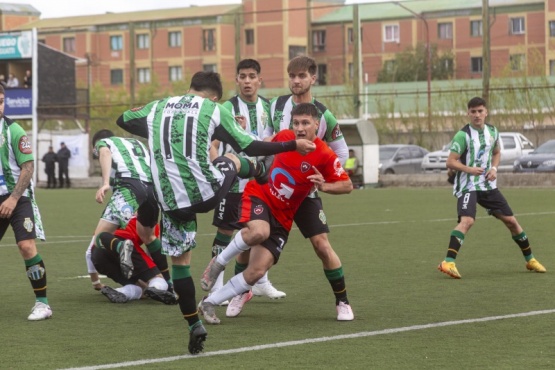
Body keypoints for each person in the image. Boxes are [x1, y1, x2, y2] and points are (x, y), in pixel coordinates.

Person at [116, 71, 316, 354]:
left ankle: (192, 324)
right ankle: (257, 170)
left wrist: (157, 129)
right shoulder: (214, 108)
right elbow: (249, 144)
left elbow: (123, 119)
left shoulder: (158, 107)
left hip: (172, 202)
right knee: (231, 158)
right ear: (214, 96)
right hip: (205, 192)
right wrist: (292, 145)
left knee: (181, 265)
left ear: (189, 88)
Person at [199, 103, 353, 324]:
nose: (300, 128)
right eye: (296, 123)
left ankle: (209, 302)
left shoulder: (324, 155)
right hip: (260, 196)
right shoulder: (285, 137)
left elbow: (347, 185)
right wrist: (244, 157)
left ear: (316, 125)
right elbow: (261, 147)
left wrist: (324, 186)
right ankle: (218, 263)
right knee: (259, 232)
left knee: (257, 271)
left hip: (284, 215)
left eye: (305, 123)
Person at [268, 55, 354, 320]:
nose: (296, 81)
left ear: (313, 79)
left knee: (321, 245)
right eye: (292, 76)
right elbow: (267, 141)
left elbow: (341, 150)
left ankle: (343, 302)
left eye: (302, 76)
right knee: (252, 239)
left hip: (307, 193)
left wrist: (325, 176)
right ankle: (242, 292)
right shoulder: (275, 106)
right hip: (275, 191)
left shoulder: (323, 113)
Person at [438, 96, 546, 279]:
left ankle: (530, 260)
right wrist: (469, 169)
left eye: (480, 111)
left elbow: (496, 153)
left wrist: (494, 168)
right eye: (473, 112)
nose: (477, 115)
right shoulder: (462, 135)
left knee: (511, 221)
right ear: (468, 113)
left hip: (487, 184)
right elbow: (450, 162)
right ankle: (448, 262)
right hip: (468, 185)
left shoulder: (493, 132)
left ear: (486, 112)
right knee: (468, 221)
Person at [210, 59, 285, 315]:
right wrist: (216, 168)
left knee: (258, 232)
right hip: (233, 182)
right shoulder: (226, 108)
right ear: (237, 80)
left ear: (259, 79)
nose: (247, 81)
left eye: (252, 76)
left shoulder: (269, 107)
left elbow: (273, 141)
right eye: (242, 76)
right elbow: (214, 145)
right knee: (225, 231)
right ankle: (215, 287)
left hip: (260, 182)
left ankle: (259, 282)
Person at [0, 84, 51, 320]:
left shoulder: (14, 130)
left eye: (1, 101)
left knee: (26, 246)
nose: (0, 106)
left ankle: (42, 303)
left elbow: (28, 168)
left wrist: (13, 197)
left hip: (17, 198)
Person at [90, 129, 163, 283]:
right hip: (152, 189)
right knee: (149, 237)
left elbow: (104, 152)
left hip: (129, 187)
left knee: (99, 240)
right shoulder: (136, 143)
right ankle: (166, 282)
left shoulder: (103, 143)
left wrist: (105, 184)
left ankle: (121, 247)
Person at [86, 216, 177, 304]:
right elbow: (152, 255)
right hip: (125, 244)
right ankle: (155, 287)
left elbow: (88, 253)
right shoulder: (149, 221)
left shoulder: (109, 217)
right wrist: (162, 278)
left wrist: (96, 283)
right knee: (156, 280)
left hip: (98, 254)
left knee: (136, 285)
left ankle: (121, 292)